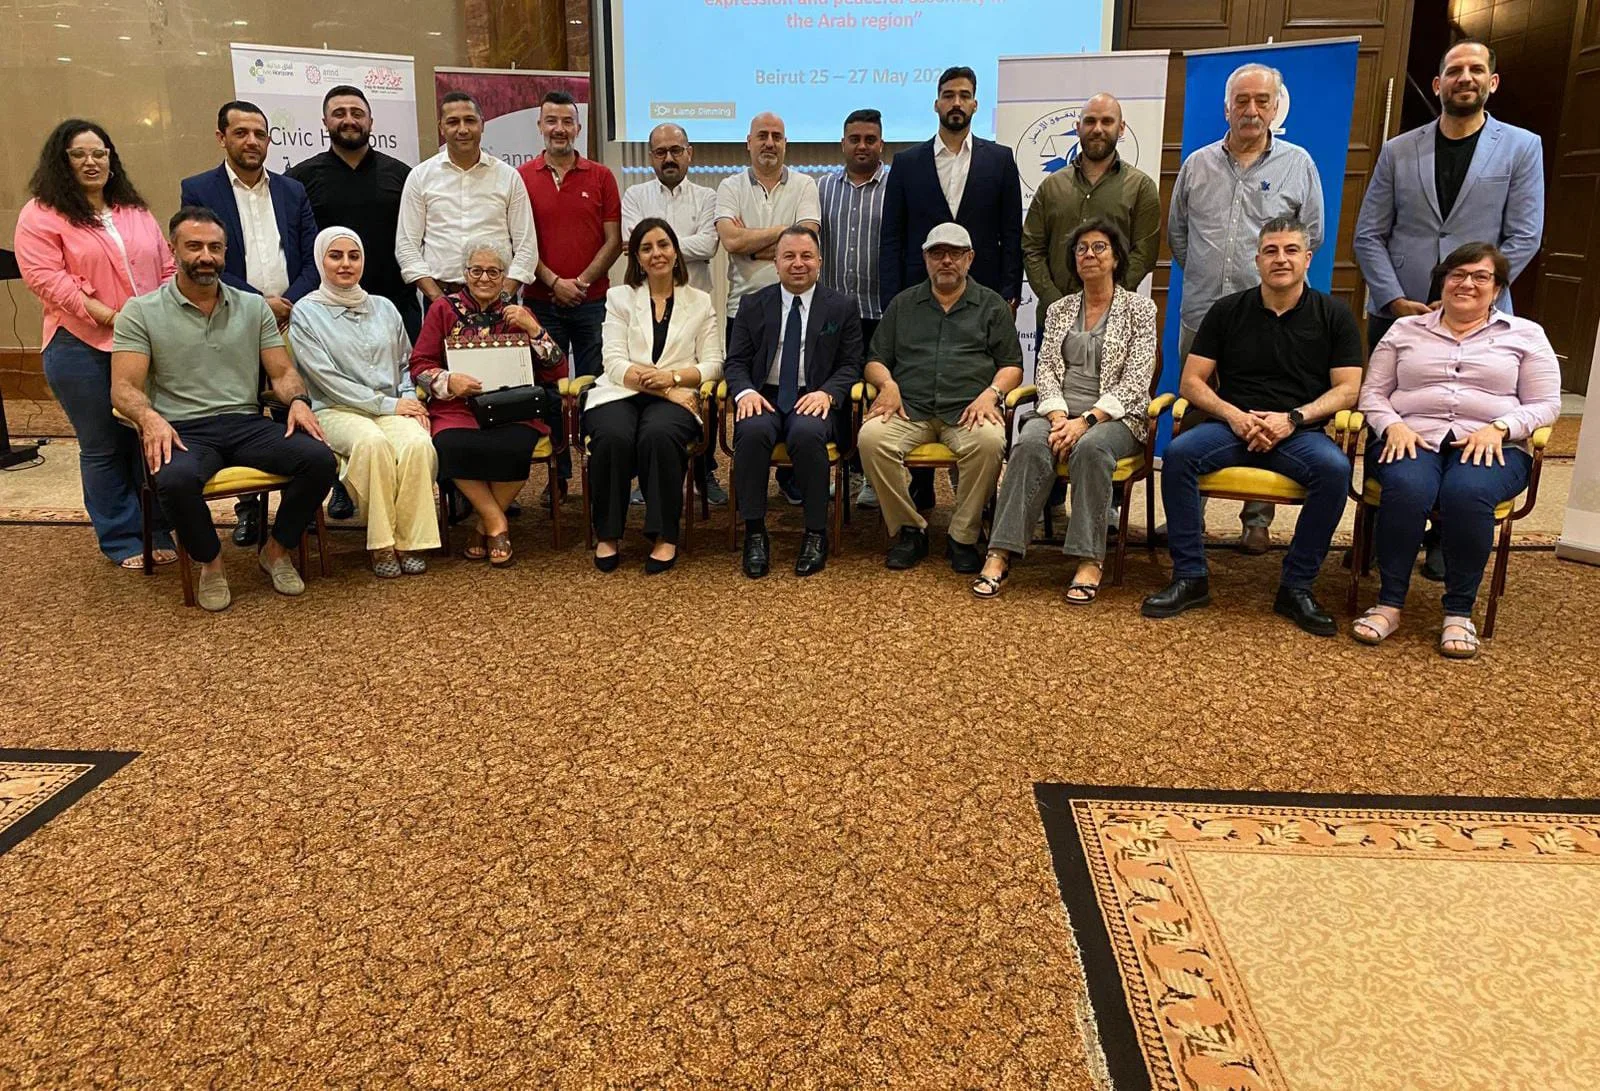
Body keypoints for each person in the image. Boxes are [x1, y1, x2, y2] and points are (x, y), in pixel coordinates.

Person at [1352, 39, 1544, 582]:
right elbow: (1369, 234)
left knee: (1464, 418)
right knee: (1391, 418)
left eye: (1476, 69)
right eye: (1454, 70)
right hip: (1399, 306)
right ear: (1437, 84)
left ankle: (1445, 537)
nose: (1465, 77)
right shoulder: (1398, 150)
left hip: (1478, 312)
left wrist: (1473, 292)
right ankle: (1377, 534)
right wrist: (1395, 299)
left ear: (1492, 83)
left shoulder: (1521, 147)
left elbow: (1524, 235)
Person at [108, 207, 337, 612]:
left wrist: (299, 402)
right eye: (194, 246)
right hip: (183, 428)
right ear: (173, 250)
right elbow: (123, 388)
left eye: (215, 248)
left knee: (319, 459)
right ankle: (211, 562)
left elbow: (282, 372)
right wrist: (148, 418)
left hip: (246, 423)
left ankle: (276, 550)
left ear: (225, 252)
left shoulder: (253, 307)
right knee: (174, 479)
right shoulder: (140, 312)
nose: (205, 256)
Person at [1142, 217, 1362, 636]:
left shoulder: (1334, 314)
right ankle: (1190, 577)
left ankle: (1296, 587)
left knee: (1334, 470)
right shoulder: (1227, 310)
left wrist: (1293, 418)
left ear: (1307, 258)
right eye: (1271, 251)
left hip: (1299, 431)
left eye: (1291, 250)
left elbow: (1348, 389)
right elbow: (1191, 382)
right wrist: (1234, 416)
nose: (1281, 259)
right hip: (1232, 426)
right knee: (1179, 455)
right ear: (1257, 260)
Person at [1352, 242, 1560, 659]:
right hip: (1411, 436)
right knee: (1408, 488)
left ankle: (1459, 612)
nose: (1467, 284)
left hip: (1494, 446)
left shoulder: (1525, 334)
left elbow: (1546, 403)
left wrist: (1500, 427)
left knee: (1467, 492)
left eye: (1480, 277)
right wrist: (1392, 425)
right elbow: (1372, 393)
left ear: (1497, 289)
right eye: (1457, 275)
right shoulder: (1405, 330)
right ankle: (1389, 604)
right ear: (1443, 282)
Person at [1169, 63, 1325, 555]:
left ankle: (1256, 518)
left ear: (1276, 107)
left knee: (1266, 404)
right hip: (1203, 310)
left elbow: (1311, 235)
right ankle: (1189, 515)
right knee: (1199, 412)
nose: (1251, 110)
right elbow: (1179, 235)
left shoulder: (1298, 164)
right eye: (1242, 101)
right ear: (1227, 108)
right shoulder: (1197, 165)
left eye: (1262, 100)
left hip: (1269, 316)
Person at [15, 118, 178, 569]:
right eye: (79, 154)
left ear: (111, 159)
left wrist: (165, 316)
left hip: (143, 344)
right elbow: (48, 281)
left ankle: (158, 529)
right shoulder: (40, 214)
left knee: (149, 439)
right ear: (61, 161)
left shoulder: (133, 209)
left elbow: (166, 266)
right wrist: (112, 316)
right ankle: (122, 538)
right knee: (104, 446)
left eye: (99, 153)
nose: (91, 162)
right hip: (80, 346)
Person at [975, 220, 1157, 602]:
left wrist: (1086, 421)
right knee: (1028, 445)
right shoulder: (1059, 309)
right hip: (1058, 411)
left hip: (1116, 416)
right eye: (1081, 249)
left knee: (1091, 448)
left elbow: (1136, 381)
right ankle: (1000, 553)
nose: (1089, 255)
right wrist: (1060, 418)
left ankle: (1089, 559)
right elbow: (1045, 369)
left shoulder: (1140, 308)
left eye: (1099, 247)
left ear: (1116, 258)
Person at [880, 65, 1023, 512]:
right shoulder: (907, 163)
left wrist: (1009, 291)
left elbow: (1011, 233)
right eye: (948, 95)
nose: (956, 102)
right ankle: (920, 486)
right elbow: (892, 236)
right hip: (917, 291)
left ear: (975, 104)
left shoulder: (1000, 160)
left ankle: (973, 497)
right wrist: (891, 298)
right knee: (920, 378)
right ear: (936, 103)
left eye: (964, 95)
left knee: (968, 377)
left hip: (983, 290)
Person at [181, 100, 321, 548]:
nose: (252, 141)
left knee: (291, 404)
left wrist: (289, 301)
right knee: (243, 410)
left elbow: (311, 256)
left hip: (293, 315)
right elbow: (203, 257)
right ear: (221, 137)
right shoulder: (199, 189)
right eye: (241, 133)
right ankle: (249, 510)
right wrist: (260, 303)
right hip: (232, 316)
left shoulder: (292, 190)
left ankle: (300, 507)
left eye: (260, 134)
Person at [858, 224, 1024, 573]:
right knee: (871, 438)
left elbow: (1012, 366)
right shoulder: (903, 304)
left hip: (968, 411)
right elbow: (874, 359)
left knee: (990, 442)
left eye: (955, 253)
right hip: (909, 409)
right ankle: (909, 530)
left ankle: (962, 537)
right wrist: (887, 384)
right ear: (925, 259)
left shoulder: (992, 305)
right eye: (937, 253)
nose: (946, 260)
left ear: (970, 258)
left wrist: (992, 394)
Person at [288, 84, 418, 523]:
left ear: (371, 121)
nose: (349, 119)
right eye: (339, 112)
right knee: (343, 402)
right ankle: (344, 484)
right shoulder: (302, 177)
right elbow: (301, 244)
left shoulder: (401, 175)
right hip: (327, 311)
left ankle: (407, 489)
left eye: (357, 112)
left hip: (391, 306)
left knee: (399, 396)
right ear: (325, 122)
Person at [287, 227, 440, 577]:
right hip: (334, 409)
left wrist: (409, 401)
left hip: (391, 405)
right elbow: (326, 379)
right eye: (335, 256)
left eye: (353, 256)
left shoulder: (384, 307)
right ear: (320, 260)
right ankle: (382, 543)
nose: (345, 264)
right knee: (372, 444)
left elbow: (406, 364)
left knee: (418, 443)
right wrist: (390, 406)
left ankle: (410, 540)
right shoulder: (306, 313)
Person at [407, 238, 565, 568]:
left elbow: (557, 369)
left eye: (494, 272)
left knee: (518, 444)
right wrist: (449, 380)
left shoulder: (519, 313)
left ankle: (482, 526)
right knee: (449, 445)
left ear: (504, 276)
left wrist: (534, 329)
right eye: (476, 270)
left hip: (512, 408)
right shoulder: (443, 309)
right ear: (465, 273)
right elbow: (419, 365)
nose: (484, 278)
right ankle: (496, 522)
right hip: (458, 408)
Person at [725, 226, 865, 579]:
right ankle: (755, 533)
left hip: (815, 396)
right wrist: (745, 392)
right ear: (775, 262)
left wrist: (828, 393)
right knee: (752, 432)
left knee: (806, 434)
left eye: (806, 256)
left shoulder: (842, 307)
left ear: (820, 261)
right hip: (764, 395)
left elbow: (851, 364)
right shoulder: (753, 305)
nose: (798, 263)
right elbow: (736, 362)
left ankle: (816, 533)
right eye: (789, 256)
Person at [584, 218, 722, 574]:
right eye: (646, 248)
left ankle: (664, 534)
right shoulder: (620, 298)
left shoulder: (700, 301)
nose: (656, 253)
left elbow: (713, 364)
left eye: (663, 245)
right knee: (612, 436)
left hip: (676, 396)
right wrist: (667, 390)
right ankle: (608, 534)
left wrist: (673, 379)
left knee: (659, 435)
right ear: (637, 259)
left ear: (676, 252)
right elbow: (614, 363)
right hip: (621, 392)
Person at [517, 91, 623, 498]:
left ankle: (597, 469)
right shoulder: (521, 178)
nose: (559, 129)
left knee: (597, 385)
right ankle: (558, 474)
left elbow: (613, 240)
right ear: (540, 126)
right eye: (551, 121)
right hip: (540, 303)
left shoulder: (601, 176)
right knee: (548, 391)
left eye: (567, 121)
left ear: (578, 128)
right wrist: (553, 283)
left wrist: (579, 283)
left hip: (593, 302)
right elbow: (518, 242)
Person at [714, 111, 821, 507]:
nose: (770, 142)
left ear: (786, 143)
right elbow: (730, 241)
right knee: (753, 402)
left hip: (797, 305)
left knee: (796, 388)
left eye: (777, 135)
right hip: (744, 310)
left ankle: (793, 479)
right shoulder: (729, 186)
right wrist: (787, 236)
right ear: (749, 142)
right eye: (762, 135)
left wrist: (757, 244)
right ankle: (753, 485)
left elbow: (810, 237)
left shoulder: (805, 184)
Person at [396, 92, 537, 311]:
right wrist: (438, 299)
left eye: (470, 120)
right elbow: (406, 246)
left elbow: (526, 246)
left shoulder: (508, 177)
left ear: (482, 124)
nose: (462, 129)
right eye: (453, 122)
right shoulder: (420, 177)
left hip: (498, 300)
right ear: (441, 128)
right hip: (441, 298)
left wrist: (502, 296)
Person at [1022, 93, 1160, 309]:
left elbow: (1145, 255)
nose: (1097, 129)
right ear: (1078, 128)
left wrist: (1105, 301)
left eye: (1107, 121)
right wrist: (1056, 303)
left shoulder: (1141, 187)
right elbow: (1032, 249)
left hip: (1115, 317)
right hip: (1054, 315)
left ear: (1121, 128)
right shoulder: (1051, 187)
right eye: (1090, 121)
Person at [817, 108, 889, 510]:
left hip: (882, 313)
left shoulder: (896, 186)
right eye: (855, 139)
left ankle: (875, 477)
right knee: (839, 395)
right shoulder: (823, 188)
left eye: (870, 139)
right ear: (842, 143)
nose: (862, 146)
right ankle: (849, 470)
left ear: (882, 144)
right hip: (835, 315)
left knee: (880, 395)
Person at [621, 124, 719, 293]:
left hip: (695, 298)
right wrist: (690, 247)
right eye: (660, 152)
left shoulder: (707, 197)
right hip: (646, 298)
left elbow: (708, 246)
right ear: (651, 157)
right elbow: (634, 244)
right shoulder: (634, 196)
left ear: (689, 153)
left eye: (676, 150)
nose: (668, 159)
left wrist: (651, 246)